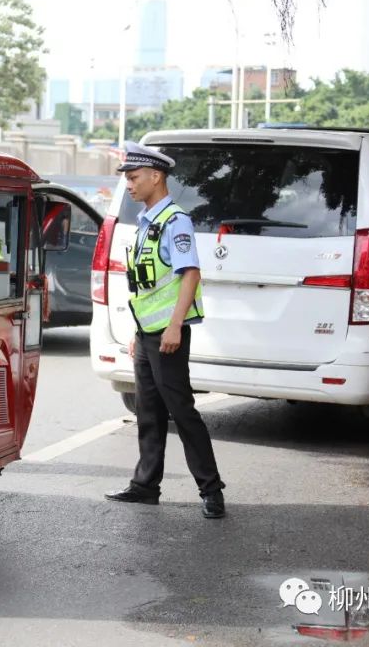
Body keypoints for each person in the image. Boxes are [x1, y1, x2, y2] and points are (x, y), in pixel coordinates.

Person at [104, 142, 226, 519]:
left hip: (168, 335)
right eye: (127, 178)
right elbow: (147, 286)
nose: (129, 185)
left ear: (156, 177)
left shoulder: (175, 221)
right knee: (148, 411)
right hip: (147, 334)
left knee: (181, 411)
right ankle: (145, 485)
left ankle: (212, 491)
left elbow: (190, 273)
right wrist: (138, 334)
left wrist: (175, 326)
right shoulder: (147, 222)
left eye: (134, 177)